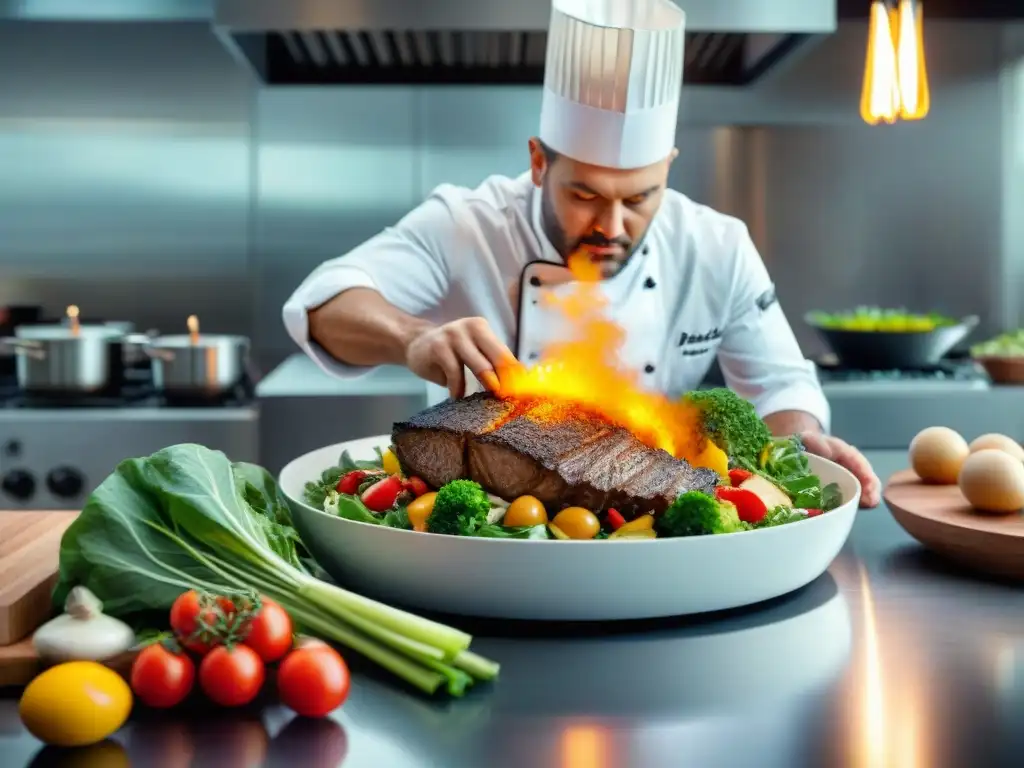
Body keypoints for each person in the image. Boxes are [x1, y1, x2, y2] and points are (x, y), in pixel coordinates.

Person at [282, 0, 881, 508]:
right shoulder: (467, 224)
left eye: (640, 197)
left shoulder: (716, 247)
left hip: (662, 540)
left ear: (667, 169)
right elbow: (324, 304)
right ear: (540, 161)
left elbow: (780, 390)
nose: (612, 225)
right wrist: (412, 337)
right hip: (481, 546)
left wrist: (801, 447)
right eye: (585, 193)